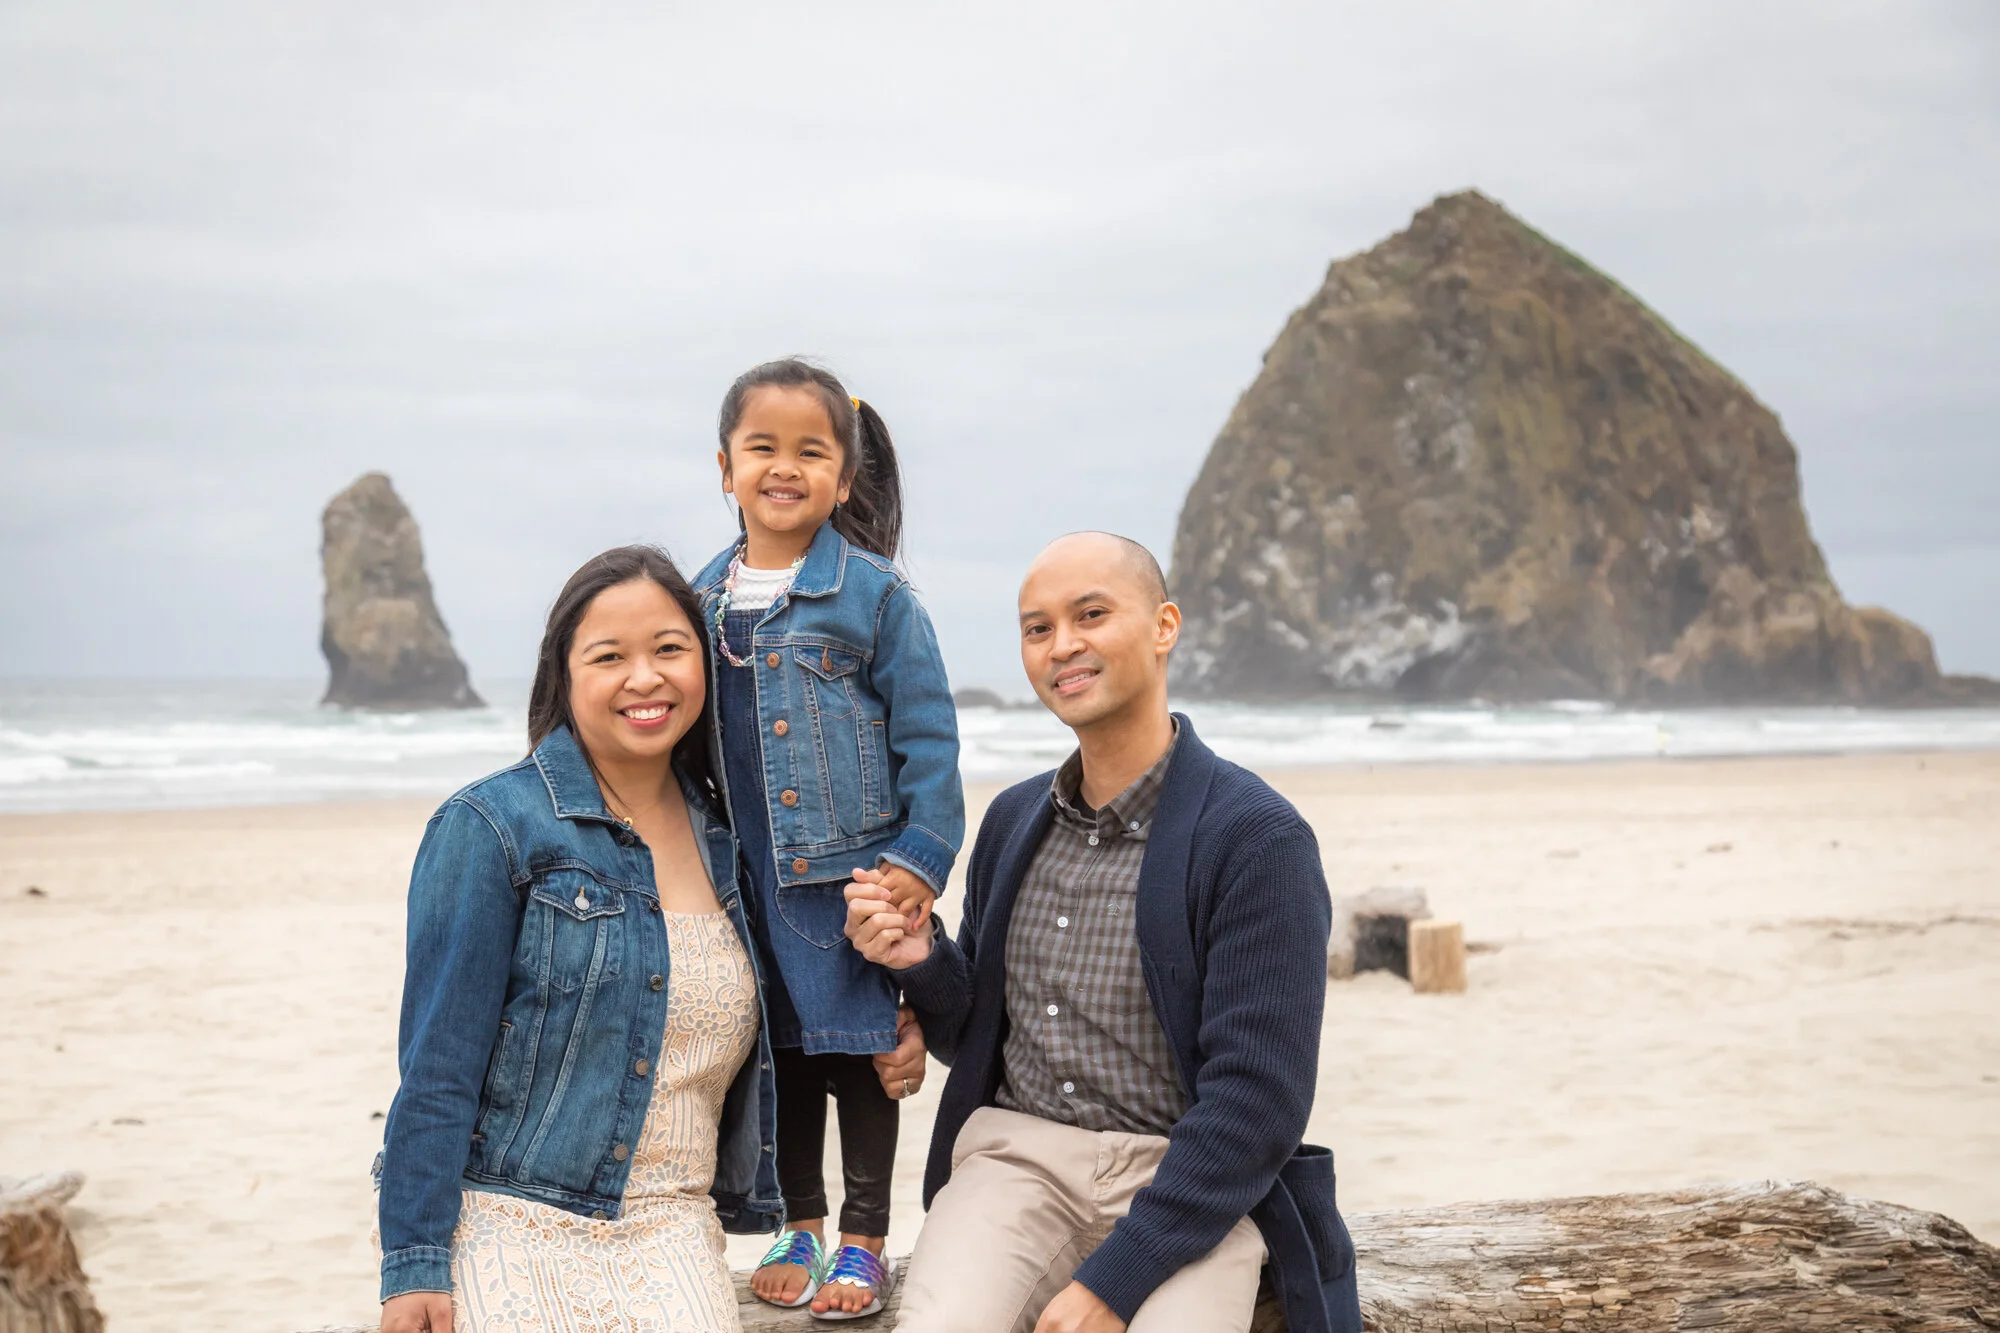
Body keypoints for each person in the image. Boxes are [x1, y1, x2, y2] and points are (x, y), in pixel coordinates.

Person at [845, 532, 1364, 1333]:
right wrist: (922, 959)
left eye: (1092, 614)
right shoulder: (1017, 820)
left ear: (1164, 625)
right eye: (1037, 627)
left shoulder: (1258, 839)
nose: (1064, 646)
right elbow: (978, 1034)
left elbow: (1259, 1101)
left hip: (1189, 1184)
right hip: (1014, 1164)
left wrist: (1113, 1283)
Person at [375, 546, 784, 1333]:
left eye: (669, 648)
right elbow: (437, 1065)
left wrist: (890, 1022)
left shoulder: (736, 841)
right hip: (508, 1212)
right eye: (609, 656)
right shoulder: (492, 826)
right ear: (563, 674)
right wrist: (414, 1261)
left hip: (674, 1228)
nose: (645, 677)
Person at [695, 358, 965, 1319]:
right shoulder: (700, 600)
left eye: (810, 451)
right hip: (743, 876)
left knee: (858, 1052)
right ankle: (798, 1223)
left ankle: (864, 1238)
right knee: (784, 1050)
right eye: (761, 447)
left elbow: (928, 739)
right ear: (723, 467)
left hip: (849, 872)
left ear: (844, 479)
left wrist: (916, 865)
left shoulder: (875, 596)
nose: (784, 466)